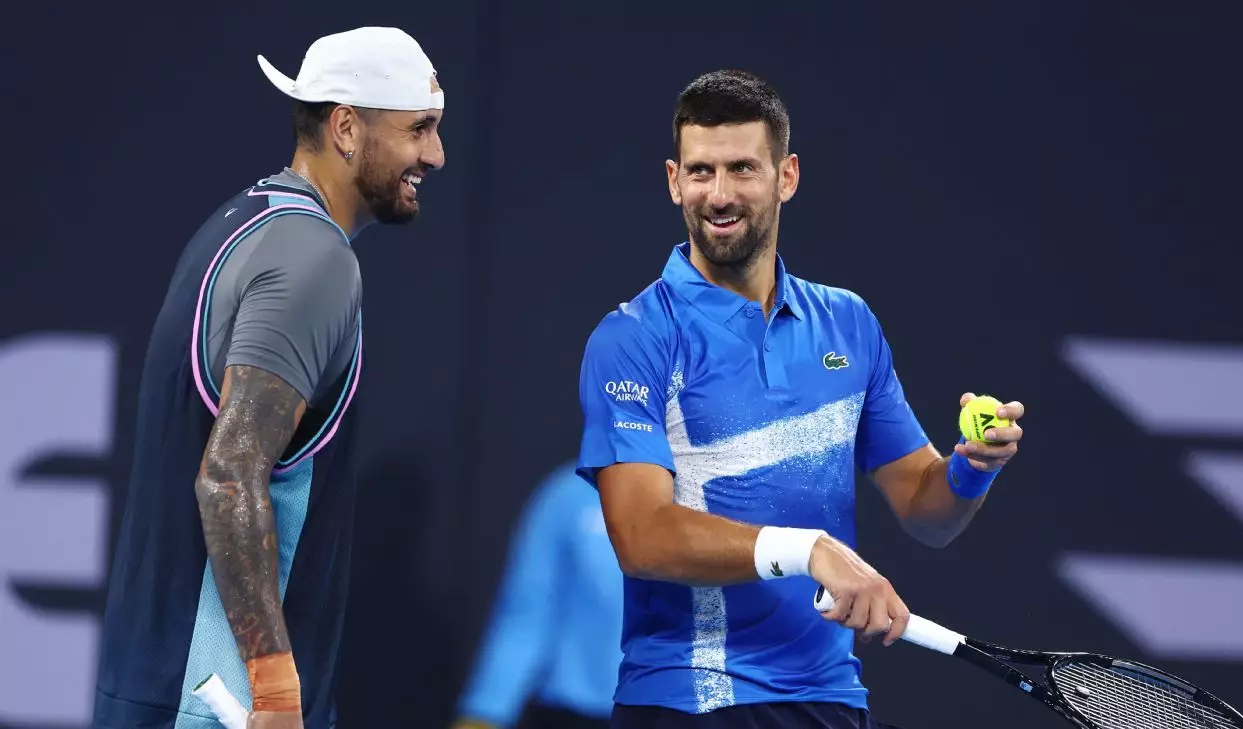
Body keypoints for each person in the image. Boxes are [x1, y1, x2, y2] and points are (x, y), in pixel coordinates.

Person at [575, 69, 1027, 729]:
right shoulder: (634, 337)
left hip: (829, 700)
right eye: (701, 172)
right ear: (674, 180)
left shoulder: (848, 324)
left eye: (742, 169)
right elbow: (643, 535)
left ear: (786, 176)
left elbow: (926, 510)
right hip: (688, 702)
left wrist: (969, 469)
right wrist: (807, 547)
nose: (720, 194)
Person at [92, 26, 446, 729]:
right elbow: (228, 475)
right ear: (347, 127)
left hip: (158, 687)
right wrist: (277, 686)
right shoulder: (314, 258)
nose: (435, 155)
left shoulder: (242, 220)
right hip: (224, 707)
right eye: (420, 129)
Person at [450, 460, 623, 729]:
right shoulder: (570, 493)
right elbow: (528, 611)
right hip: (574, 713)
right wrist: (485, 712)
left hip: (681, 711)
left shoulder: (706, 492)